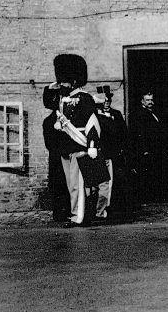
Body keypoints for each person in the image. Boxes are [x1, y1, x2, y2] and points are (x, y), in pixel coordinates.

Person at [43, 54, 103, 227]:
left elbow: (92, 123)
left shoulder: (85, 98)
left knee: (78, 184)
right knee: (71, 185)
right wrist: (52, 85)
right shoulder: (61, 98)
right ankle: (75, 212)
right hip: (65, 147)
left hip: (78, 143)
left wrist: (92, 144)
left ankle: (79, 216)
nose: (63, 84)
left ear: (74, 81)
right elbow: (48, 102)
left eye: (65, 81)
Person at [94, 86, 129, 222]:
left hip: (116, 155)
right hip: (103, 153)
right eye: (104, 99)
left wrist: (122, 150)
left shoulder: (117, 114)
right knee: (103, 183)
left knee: (116, 182)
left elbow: (123, 134)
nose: (107, 101)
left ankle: (114, 209)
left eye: (109, 99)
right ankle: (101, 210)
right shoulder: (96, 115)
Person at [131, 90, 168, 205]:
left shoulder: (156, 113)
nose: (150, 102)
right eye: (147, 100)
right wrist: (143, 149)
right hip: (147, 149)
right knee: (147, 174)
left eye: (151, 100)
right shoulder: (138, 114)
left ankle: (156, 196)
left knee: (157, 173)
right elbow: (139, 133)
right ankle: (147, 198)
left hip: (158, 148)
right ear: (142, 101)